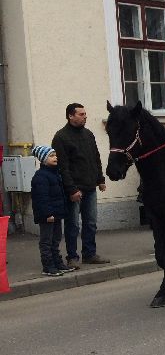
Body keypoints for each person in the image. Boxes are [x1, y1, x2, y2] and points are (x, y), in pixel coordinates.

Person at [52, 102, 108, 268]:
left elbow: (95, 158)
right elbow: (63, 167)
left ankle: (89, 254)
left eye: (85, 114)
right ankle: (72, 257)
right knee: (73, 224)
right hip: (75, 189)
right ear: (71, 116)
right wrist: (72, 189)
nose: (85, 117)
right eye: (81, 114)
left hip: (90, 187)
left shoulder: (89, 134)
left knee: (91, 222)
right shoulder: (61, 137)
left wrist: (101, 179)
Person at [30, 145, 76, 277]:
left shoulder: (55, 174)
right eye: (51, 155)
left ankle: (58, 263)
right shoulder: (41, 177)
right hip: (48, 215)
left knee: (55, 240)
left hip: (56, 214)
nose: (55, 157)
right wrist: (48, 214)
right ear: (43, 159)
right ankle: (48, 266)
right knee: (46, 241)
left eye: (55, 155)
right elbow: (41, 198)